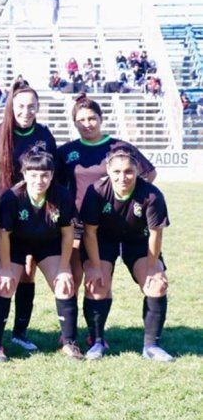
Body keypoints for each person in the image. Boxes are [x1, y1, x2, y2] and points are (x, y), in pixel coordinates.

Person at [56, 94, 156, 353]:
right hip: (80, 223)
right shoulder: (66, 152)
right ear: (74, 123)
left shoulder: (119, 147)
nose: (87, 124)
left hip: (116, 223)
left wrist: (131, 204)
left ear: (101, 119)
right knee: (78, 279)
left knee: (99, 281)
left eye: (92, 118)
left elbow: (149, 173)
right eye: (81, 120)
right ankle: (68, 335)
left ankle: (93, 336)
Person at [0, 81, 58, 353]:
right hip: (3, 216)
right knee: (3, 273)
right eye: (21, 105)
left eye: (32, 106)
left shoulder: (44, 134)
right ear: (11, 106)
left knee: (27, 273)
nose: (26, 111)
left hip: (35, 214)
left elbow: (55, 172)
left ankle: (20, 332)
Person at [80, 147, 173, 362]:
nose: (123, 177)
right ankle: (97, 341)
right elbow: (90, 232)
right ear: (108, 171)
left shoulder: (151, 194)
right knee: (96, 284)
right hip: (103, 241)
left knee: (156, 284)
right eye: (117, 172)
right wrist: (94, 266)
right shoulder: (96, 191)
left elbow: (155, 234)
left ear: (138, 170)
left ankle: (151, 346)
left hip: (138, 241)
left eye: (129, 172)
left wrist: (152, 268)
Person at [0, 148, 82, 362]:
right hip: (15, 244)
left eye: (44, 175)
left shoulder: (62, 195)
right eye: (33, 175)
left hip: (48, 244)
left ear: (52, 175)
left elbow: (68, 233)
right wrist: (4, 269)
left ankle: (69, 342)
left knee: (64, 284)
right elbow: (3, 235)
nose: (39, 180)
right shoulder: (12, 197)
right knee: (5, 285)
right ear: (24, 175)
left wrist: (63, 268)